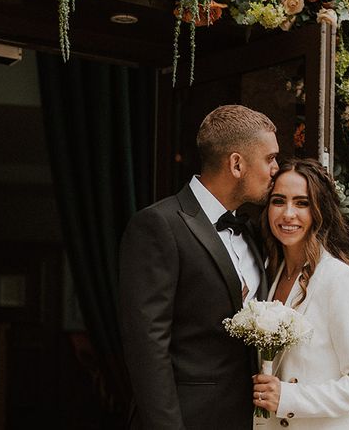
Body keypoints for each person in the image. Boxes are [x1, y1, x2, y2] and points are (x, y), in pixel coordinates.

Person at [119, 105, 279, 430]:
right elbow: (147, 346)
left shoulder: (252, 231)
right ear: (237, 164)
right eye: (270, 158)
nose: (276, 168)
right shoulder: (158, 224)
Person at [253, 158, 349, 429]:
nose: (288, 213)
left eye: (302, 203)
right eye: (279, 201)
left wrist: (290, 398)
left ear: (319, 210)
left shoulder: (340, 281)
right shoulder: (267, 274)